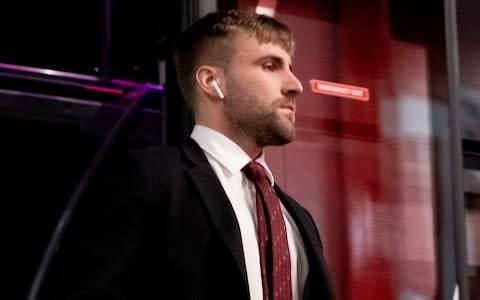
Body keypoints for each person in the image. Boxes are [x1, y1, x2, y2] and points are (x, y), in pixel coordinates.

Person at [41, 9, 334, 300]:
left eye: (291, 68)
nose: (295, 85)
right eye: (270, 65)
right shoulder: (146, 180)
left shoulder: (298, 218)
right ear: (211, 82)